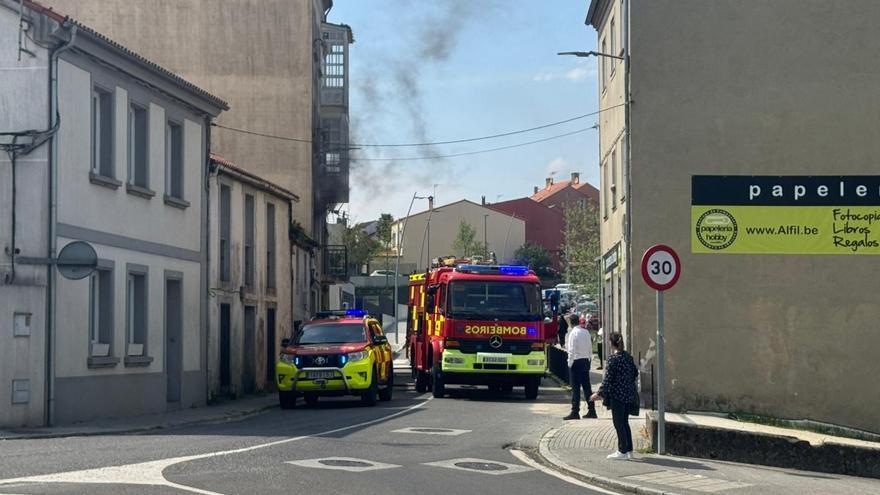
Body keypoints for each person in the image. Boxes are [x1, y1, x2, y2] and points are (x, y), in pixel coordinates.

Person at [591, 331, 638, 459]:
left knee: (618, 423)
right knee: (625, 422)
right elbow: (635, 373)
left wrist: (599, 394)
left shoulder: (613, 359)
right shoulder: (628, 357)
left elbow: (608, 379)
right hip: (627, 393)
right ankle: (629, 450)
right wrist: (626, 382)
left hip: (617, 395)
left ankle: (622, 451)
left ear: (612, 344)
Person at [563, 314, 597, 420]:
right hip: (585, 361)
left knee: (575, 388)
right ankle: (592, 410)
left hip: (576, 362)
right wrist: (589, 359)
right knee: (587, 387)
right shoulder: (586, 332)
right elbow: (590, 347)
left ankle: (575, 411)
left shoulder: (573, 333)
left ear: (570, 322)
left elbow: (571, 350)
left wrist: (569, 363)